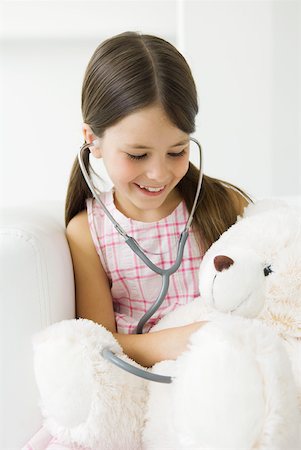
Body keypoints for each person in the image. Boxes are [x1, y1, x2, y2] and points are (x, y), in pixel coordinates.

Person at [23, 31, 250, 450]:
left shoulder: (223, 206)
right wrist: (169, 343)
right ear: (93, 139)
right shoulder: (87, 231)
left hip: (223, 390)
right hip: (140, 399)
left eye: (177, 151)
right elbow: (101, 342)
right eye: (138, 154)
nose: (160, 174)